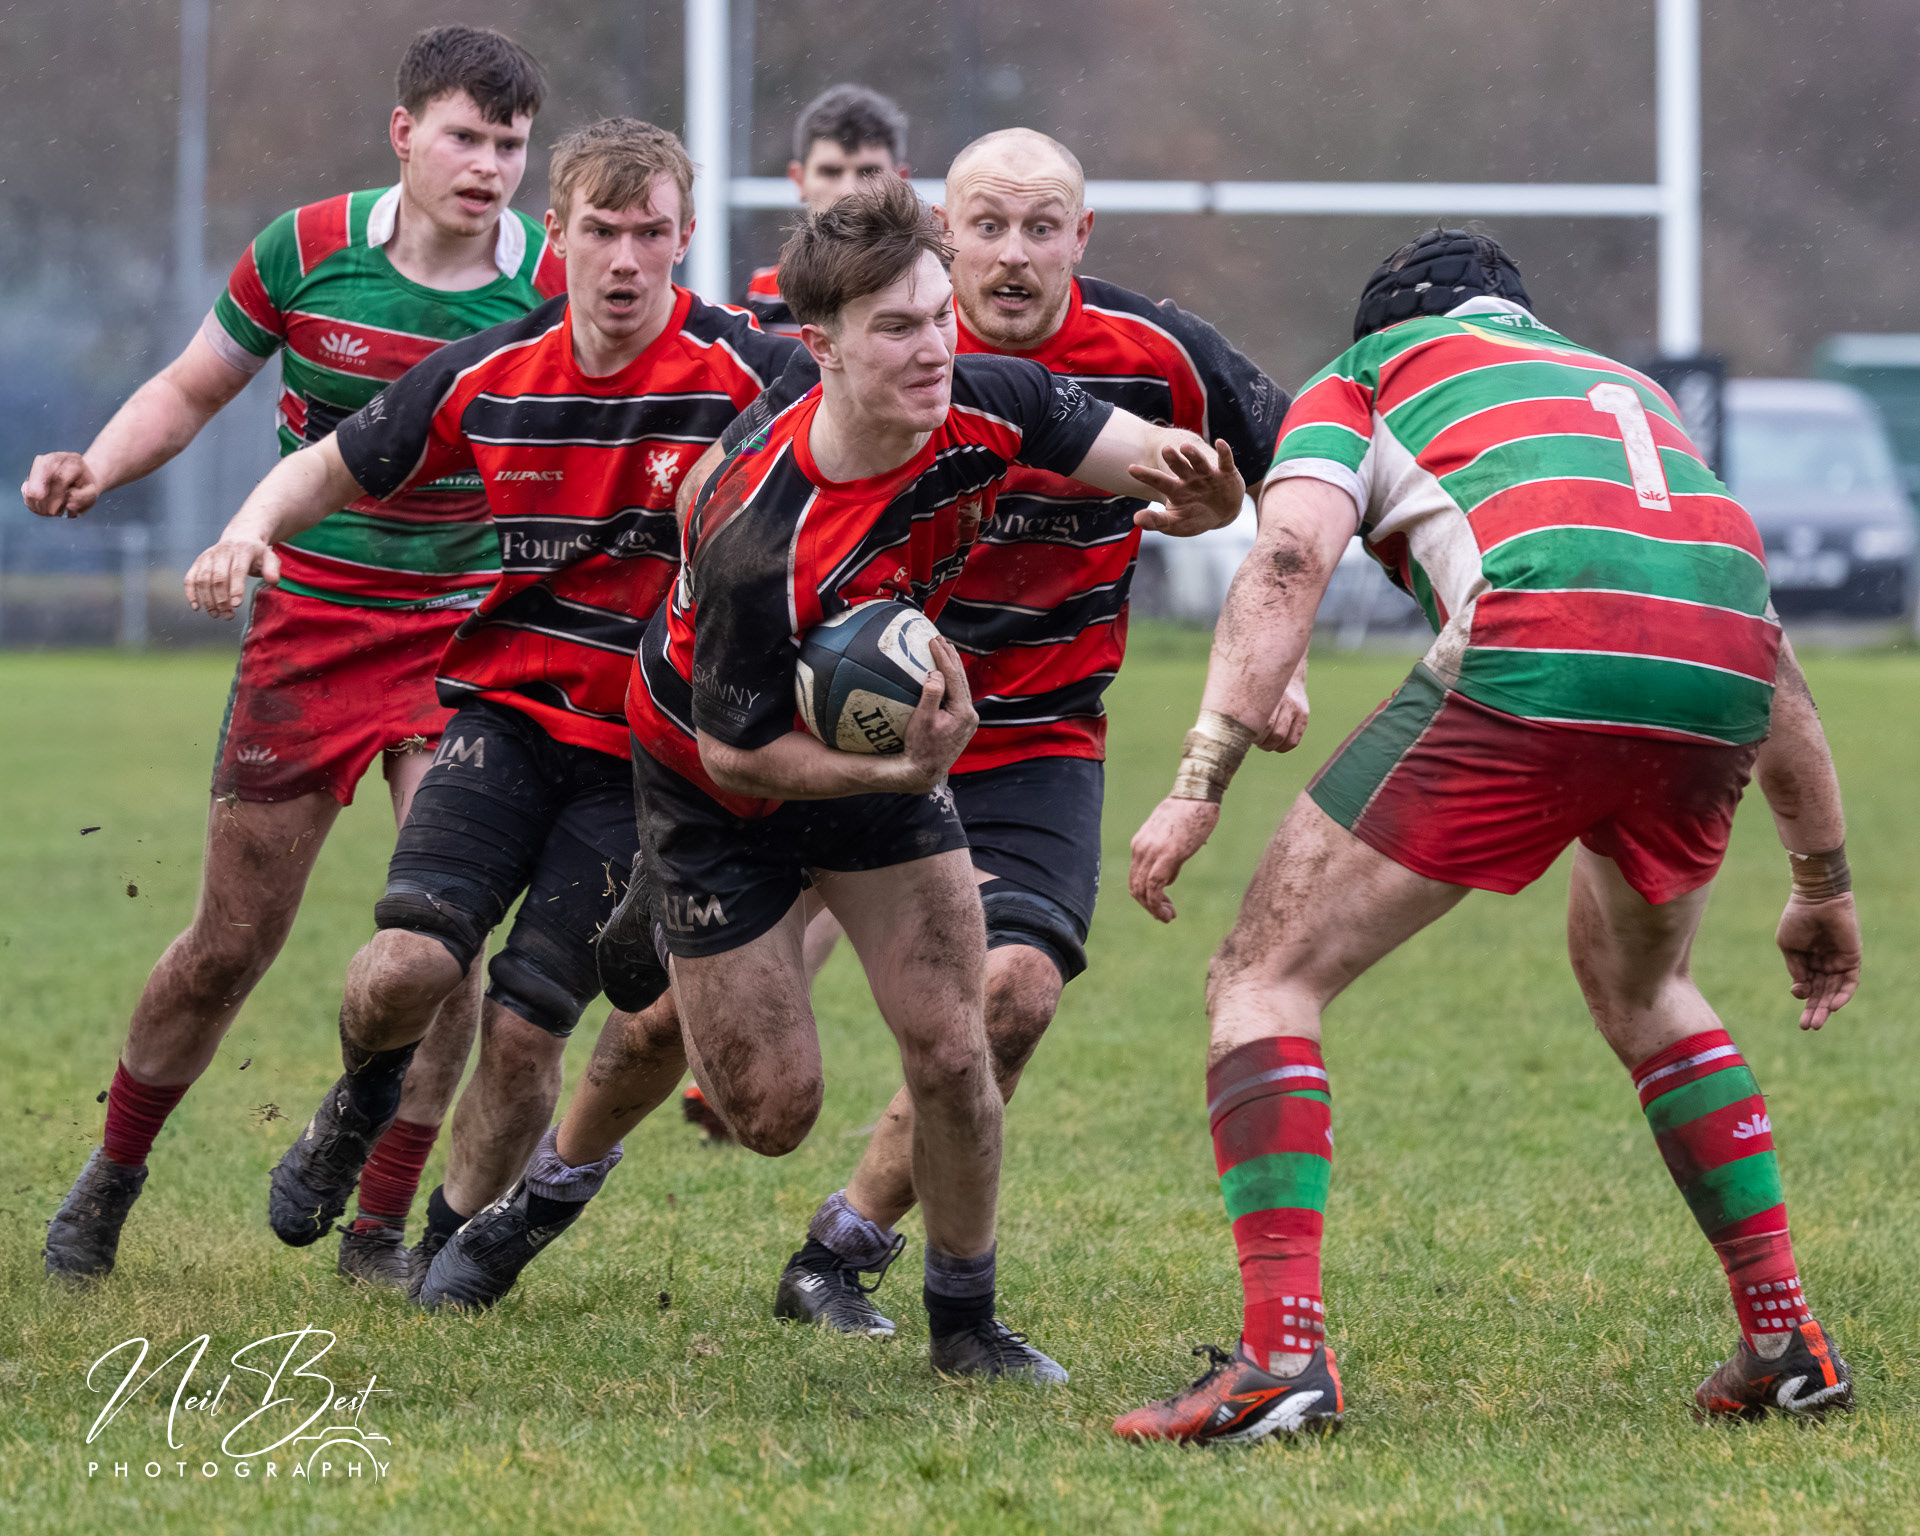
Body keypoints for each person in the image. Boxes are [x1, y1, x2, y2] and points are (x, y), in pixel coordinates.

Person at [416, 179, 1247, 1383]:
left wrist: (1204, 491)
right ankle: (534, 1204)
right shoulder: (766, 539)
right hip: (714, 777)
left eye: (938, 315)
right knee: (766, 1109)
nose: (934, 347)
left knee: (954, 1047)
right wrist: (904, 761)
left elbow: (1143, 459)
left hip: (869, 757)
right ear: (825, 347)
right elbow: (734, 752)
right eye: (897, 328)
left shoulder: (989, 395)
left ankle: (965, 1321)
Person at [1113, 229, 1863, 1443]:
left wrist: (1201, 779)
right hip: (1715, 676)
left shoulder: (1369, 372)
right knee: (1648, 987)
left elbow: (1289, 554)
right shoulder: (1630, 393)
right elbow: (1757, 642)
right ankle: (1785, 1341)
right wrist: (1822, 882)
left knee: (1263, 975)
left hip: (1538, 646)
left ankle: (1279, 1363)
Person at [177, 118, 795, 1294]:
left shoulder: (753, 373)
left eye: (651, 233)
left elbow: (888, 432)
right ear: (555, 236)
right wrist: (248, 528)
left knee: (523, 1030)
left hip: (645, 756)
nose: (626, 259)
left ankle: (444, 1246)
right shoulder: (491, 368)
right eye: (601, 232)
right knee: (406, 969)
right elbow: (327, 464)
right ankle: (360, 1098)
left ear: (684, 238)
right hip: (503, 721)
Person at [35, 25, 560, 1289]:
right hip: (310, 626)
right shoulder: (305, 250)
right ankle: (111, 1178)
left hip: (461, 641)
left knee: (446, 943)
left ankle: (375, 1223)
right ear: (404, 133)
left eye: (509, 146)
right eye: (464, 138)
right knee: (230, 944)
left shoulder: (548, 286)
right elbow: (191, 388)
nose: (488, 167)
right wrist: (98, 466)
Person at [758, 128, 1297, 1339]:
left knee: (1013, 995)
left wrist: (1284, 647)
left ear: (1080, 238)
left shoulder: (1161, 355)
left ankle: (841, 1252)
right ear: (942, 234)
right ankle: (521, 1201)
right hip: (848, 729)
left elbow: (1303, 472)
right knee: (666, 1018)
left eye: (1041, 228)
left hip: (1040, 735)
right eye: (987, 227)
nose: (1012, 254)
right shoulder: (871, 349)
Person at [740, 83, 911, 337]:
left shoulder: (940, 299)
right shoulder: (758, 303)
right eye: (831, 172)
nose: (849, 191)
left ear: (901, 180)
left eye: (868, 172)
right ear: (799, 180)